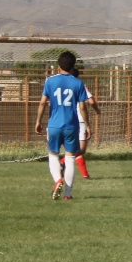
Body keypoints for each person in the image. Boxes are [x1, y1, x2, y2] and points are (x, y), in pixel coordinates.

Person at [35, 50, 89, 200]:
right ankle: (67, 194)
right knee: (70, 159)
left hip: (54, 125)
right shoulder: (78, 83)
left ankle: (58, 179)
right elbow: (83, 107)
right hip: (72, 126)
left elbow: (42, 103)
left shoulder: (50, 81)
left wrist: (38, 121)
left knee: (53, 155)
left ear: (58, 65)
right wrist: (88, 125)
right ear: (73, 66)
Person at [74, 66, 99, 179]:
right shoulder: (80, 85)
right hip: (80, 120)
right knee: (80, 150)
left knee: (73, 149)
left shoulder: (59, 84)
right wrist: (97, 110)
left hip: (64, 121)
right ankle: (62, 163)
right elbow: (91, 101)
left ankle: (85, 175)